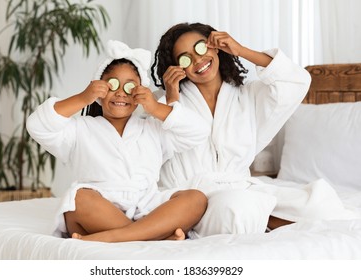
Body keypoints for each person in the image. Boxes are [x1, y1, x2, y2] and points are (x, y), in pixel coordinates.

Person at [151, 22, 357, 238]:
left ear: (215, 46)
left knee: (319, 206)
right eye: (185, 58)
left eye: (201, 48)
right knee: (237, 208)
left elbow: (295, 81)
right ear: (176, 67)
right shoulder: (161, 102)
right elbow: (156, 152)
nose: (197, 60)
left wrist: (241, 50)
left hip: (241, 188)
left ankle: (260, 218)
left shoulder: (248, 97)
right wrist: (172, 99)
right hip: (192, 196)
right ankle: (194, 222)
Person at [26, 40, 210, 242]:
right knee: (79, 199)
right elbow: (37, 125)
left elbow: (199, 131)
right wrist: (82, 98)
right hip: (100, 210)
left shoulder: (152, 129)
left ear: (141, 93)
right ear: (98, 90)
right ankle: (152, 238)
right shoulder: (79, 129)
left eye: (130, 87)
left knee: (196, 199)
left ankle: (112, 238)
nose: (121, 92)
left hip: (146, 207)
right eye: (113, 85)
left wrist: (155, 108)